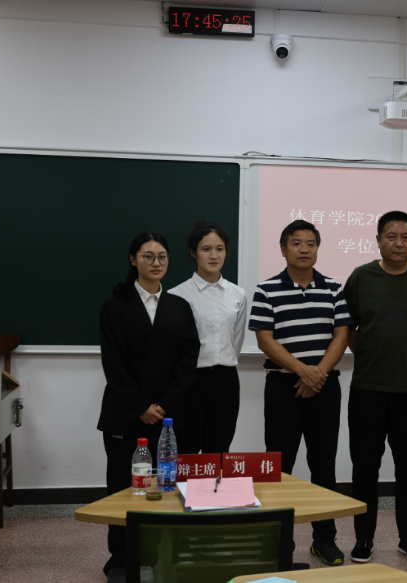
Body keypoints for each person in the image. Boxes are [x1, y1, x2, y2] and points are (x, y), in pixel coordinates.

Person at [248, 219, 352, 566]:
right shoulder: (266, 290)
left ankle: (324, 539)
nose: (304, 249)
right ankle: (279, 542)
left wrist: (317, 374)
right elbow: (265, 340)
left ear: (317, 249)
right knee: (278, 467)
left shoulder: (333, 288)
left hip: (325, 387)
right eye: (296, 243)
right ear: (283, 249)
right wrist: (303, 371)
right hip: (283, 387)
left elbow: (342, 334)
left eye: (310, 243)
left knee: (324, 466)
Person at [344, 210, 407, 564]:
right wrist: (370, 354)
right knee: (364, 468)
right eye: (391, 236)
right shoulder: (360, 277)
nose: (398, 243)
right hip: (368, 389)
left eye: (405, 237)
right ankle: (364, 538)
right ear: (377, 240)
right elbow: (348, 329)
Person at [97, 231, 200, 576]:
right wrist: (140, 406)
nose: (156, 263)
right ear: (133, 260)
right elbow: (113, 363)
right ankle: (120, 558)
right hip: (126, 414)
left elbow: (188, 360)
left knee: (163, 488)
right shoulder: (114, 306)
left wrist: (165, 405)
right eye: (148, 256)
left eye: (162, 257)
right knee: (122, 487)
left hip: (168, 418)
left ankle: (155, 556)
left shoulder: (179, 306)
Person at [169, 220, 247, 455]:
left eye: (219, 249)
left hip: (226, 380)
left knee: (220, 450)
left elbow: (236, 340)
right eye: (206, 249)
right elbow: (173, 348)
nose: (214, 255)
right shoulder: (177, 295)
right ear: (193, 253)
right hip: (189, 381)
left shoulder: (238, 294)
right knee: (187, 448)